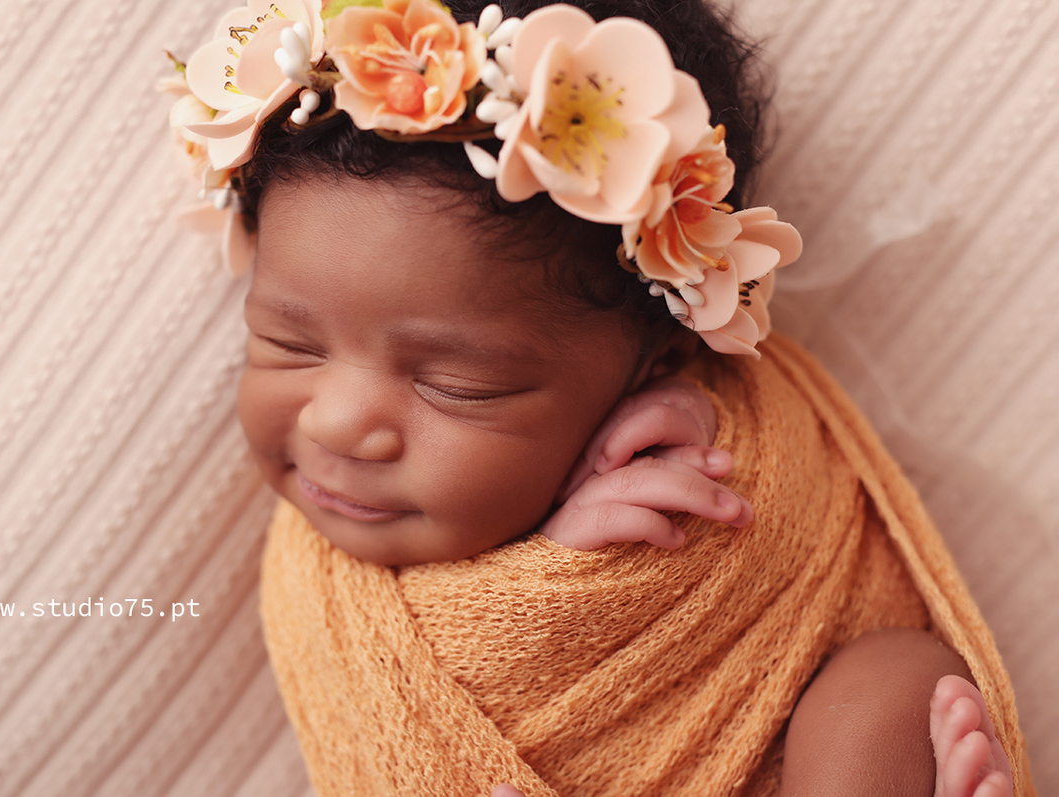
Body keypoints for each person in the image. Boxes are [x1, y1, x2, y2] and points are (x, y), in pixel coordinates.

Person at [165, 0, 1032, 793]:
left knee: (892, 687)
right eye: (287, 344)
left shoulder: (705, 437)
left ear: (655, 360)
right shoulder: (322, 595)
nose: (337, 421)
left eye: (455, 384)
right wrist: (548, 576)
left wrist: (644, 516)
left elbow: (781, 545)